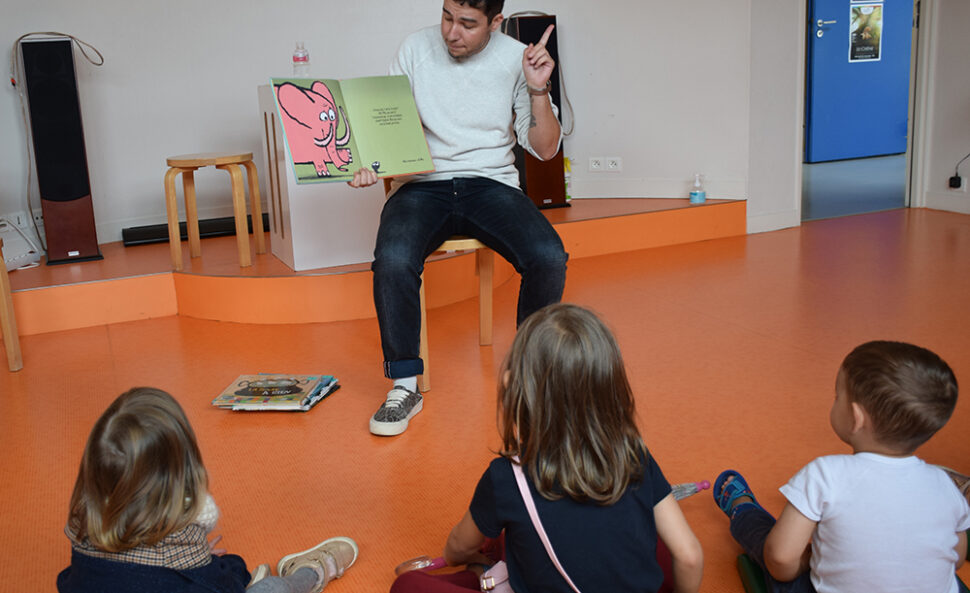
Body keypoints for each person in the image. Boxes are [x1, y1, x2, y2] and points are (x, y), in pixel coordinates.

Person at [348, 0, 569, 437]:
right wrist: (368, 164)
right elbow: (386, 129)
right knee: (392, 260)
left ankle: (530, 374)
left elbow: (545, 149)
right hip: (421, 185)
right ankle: (405, 385)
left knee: (549, 256)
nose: (452, 32)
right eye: (448, 16)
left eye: (468, 24)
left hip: (491, 184)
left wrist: (539, 89)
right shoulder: (414, 49)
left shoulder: (516, 58)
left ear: (496, 22)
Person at [389, 304, 704, 592]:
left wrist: (463, 557)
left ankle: (480, 574)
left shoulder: (506, 477)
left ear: (514, 385)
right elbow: (689, 556)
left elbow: (457, 547)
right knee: (651, 541)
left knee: (408, 586)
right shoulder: (634, 453)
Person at [713, 340, 970, 593]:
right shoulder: (945, 485)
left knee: (768, 539)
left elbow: (780, 560)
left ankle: (742, 508)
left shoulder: (824, 474)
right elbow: (955, 558)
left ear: (856, 418)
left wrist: (808, 561)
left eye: (838, 395)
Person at [56, 387, 358, 593]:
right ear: (184, 473)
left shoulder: (83, 524)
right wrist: (212, 565)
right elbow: (225, 583)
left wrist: (190, 557)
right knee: (272, 588)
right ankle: (313, 572)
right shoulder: (190, 564)